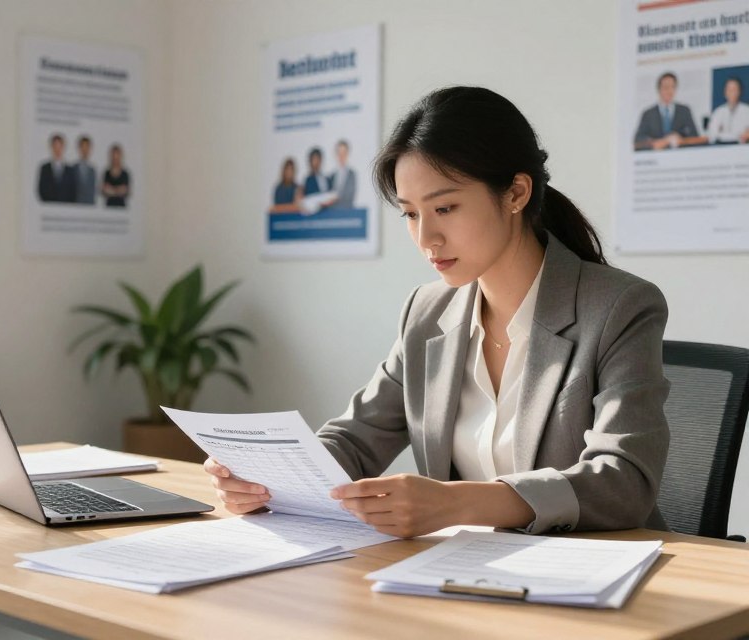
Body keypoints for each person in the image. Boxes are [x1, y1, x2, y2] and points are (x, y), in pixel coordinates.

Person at [205, 86, 670, 538]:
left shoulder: (618, 307)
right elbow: (355, 440)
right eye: (410, 214)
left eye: (444, 207)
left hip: (596, 575)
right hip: (464, 573)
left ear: (516, 194)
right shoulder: (428, 311)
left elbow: (624, 480)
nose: (426, 238)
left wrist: (456, 503)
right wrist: (267, 480)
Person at [634, 72, 700, 150]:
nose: (669, 91)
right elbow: (638, 140)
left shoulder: (684, 111)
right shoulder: (648, 114)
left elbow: (695, 138)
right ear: (659, 90)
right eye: (666, 87)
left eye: (673, 87)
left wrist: (680, 139)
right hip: (656, 157)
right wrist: (659, 142)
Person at [707, 77, 749, 144]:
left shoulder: (747, 110)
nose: (731, 92)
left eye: (734, 89)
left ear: (739, 91)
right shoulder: (718, 111)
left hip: (742, 149)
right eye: (729, 89)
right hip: (721, 148)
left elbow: (746, 135)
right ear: (725, 92)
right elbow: (712, 136)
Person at [37, 134, 76, 203]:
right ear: (51, 147)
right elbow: (41, 189)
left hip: (66, 207)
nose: (57, 149)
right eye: (55, 146)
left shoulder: (70, 170)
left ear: (63, 147)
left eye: (59, 146)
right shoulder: (45, 168)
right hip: (48, 207)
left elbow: (73, 191)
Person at [326, 139, 357, 209]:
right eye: (339, 153)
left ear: (347, 154)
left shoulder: (352, 174)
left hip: (347, 212)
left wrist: (336, 199)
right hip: (333, 212)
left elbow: (350, 196)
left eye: (344, 153)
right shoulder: (332, 176)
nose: (341, 156)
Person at [101, 144, 131, 208]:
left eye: (117, 156)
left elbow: (125, 190)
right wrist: (118, 190)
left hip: (121, 207)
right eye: (113, 156)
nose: (115, 158)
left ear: (120, 156)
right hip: (109, 206)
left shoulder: (125, 174)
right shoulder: (107, 173)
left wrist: (112, 190)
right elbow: (105, 190)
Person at [75, 136, 97, 205]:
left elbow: (93, 192)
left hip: (89, 206)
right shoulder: (73, 169)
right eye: (83, 147)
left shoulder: (93, 170)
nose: (85, 150)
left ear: (90, 149)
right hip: (75, 205)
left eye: (87, 147)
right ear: (79, 149)